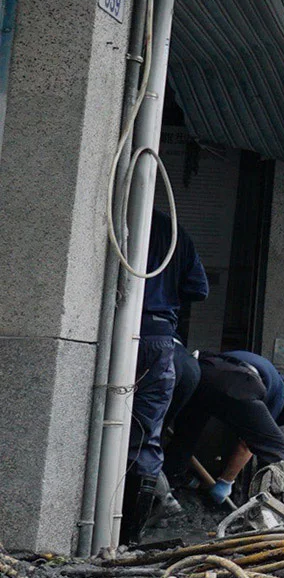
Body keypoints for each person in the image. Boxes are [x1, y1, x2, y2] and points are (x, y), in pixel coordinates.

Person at [124, 211, 208, 541]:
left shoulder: (120, 215)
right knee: (145, 438)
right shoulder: (174, 231)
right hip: (159, 338)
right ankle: (127, 537)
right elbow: (198, 288)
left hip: (119, 330)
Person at [164, 349, 284, 504]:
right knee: (276, 448)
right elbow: (247, 444)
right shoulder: (280, 393)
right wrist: (226, 482)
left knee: (184, 440)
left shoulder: (263, 366)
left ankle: (165, 495)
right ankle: (273, 507)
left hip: (200, 372)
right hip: (238, 379)